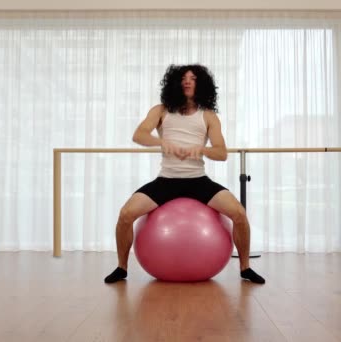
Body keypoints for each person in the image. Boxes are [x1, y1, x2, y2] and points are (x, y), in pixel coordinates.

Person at [104, 64, 265, 284]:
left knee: (238, 213)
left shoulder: (208, 116)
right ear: (176, 84)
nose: (187, 81)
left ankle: (245, 268)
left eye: (193, 78)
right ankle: (122, 268)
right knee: (125, 215)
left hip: (198, 181)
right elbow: (139, 135)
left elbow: (221, 153)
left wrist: (202, 149)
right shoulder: (160, 110)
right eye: (183, 78)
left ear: (201, 85)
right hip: (166, 180)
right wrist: (162, 142)